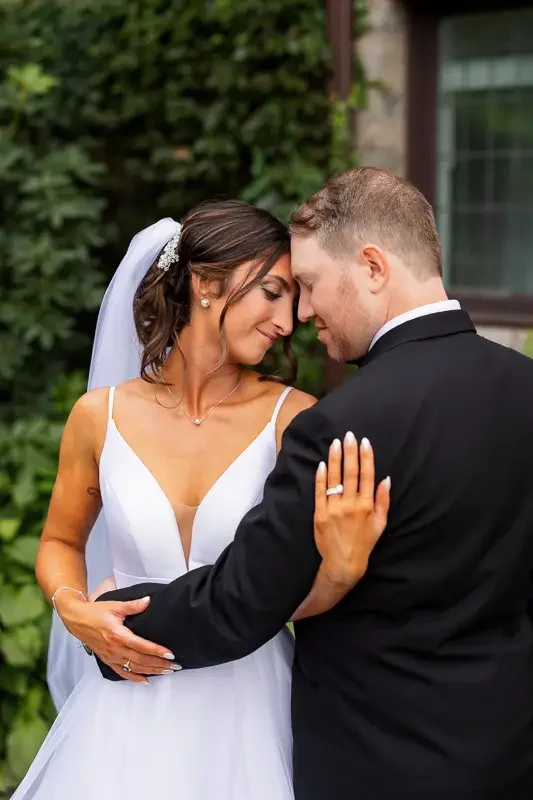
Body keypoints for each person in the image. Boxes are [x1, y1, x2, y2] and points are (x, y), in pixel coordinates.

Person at [95, 168, 533, 799]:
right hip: (510, 755)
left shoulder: (343, 426)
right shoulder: (526, 391)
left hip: (374, 764)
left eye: (308, 284)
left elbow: (241, 600)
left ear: (373, 268)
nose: (303, 313)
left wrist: (115, 616)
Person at [13, 200, 390, 800]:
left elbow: (299, 592)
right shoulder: (98, 417)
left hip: (252, 709)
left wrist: (342, 571)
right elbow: (60, 541)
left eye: (293, 299)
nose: (288, 322)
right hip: (122, 713)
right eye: (272, 292)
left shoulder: (295, 421)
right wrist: (72, 606)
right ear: (207, 283)